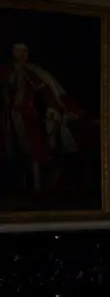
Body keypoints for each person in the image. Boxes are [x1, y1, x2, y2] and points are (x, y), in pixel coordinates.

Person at [2, 42, 80, 197]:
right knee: (13, 152)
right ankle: (19, 187)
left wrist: (56, 108)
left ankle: (37, 189)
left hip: (27, 115)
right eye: (19, 51)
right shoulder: (5, 71)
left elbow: (49, 91)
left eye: (25, 51)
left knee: (34, 150)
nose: (23, 54)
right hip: (7, 116)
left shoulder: (33, 71)